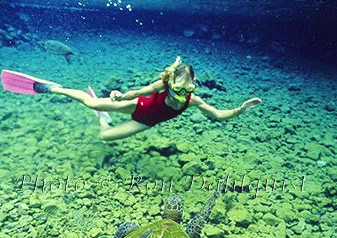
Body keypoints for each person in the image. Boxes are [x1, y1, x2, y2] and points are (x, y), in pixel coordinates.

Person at [46, 56, 261, 141]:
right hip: (135, 105)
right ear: (172, 83)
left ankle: (104, 117)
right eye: (178, 87)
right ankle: (54, 89)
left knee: (105, 136)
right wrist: (119, 96)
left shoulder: (192, 101)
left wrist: (238, 111)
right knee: (91, 102)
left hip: (145, 121)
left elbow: (217, 115)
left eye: (188, 89)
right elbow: (139, 92)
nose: (182, 94)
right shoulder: (163, 85)